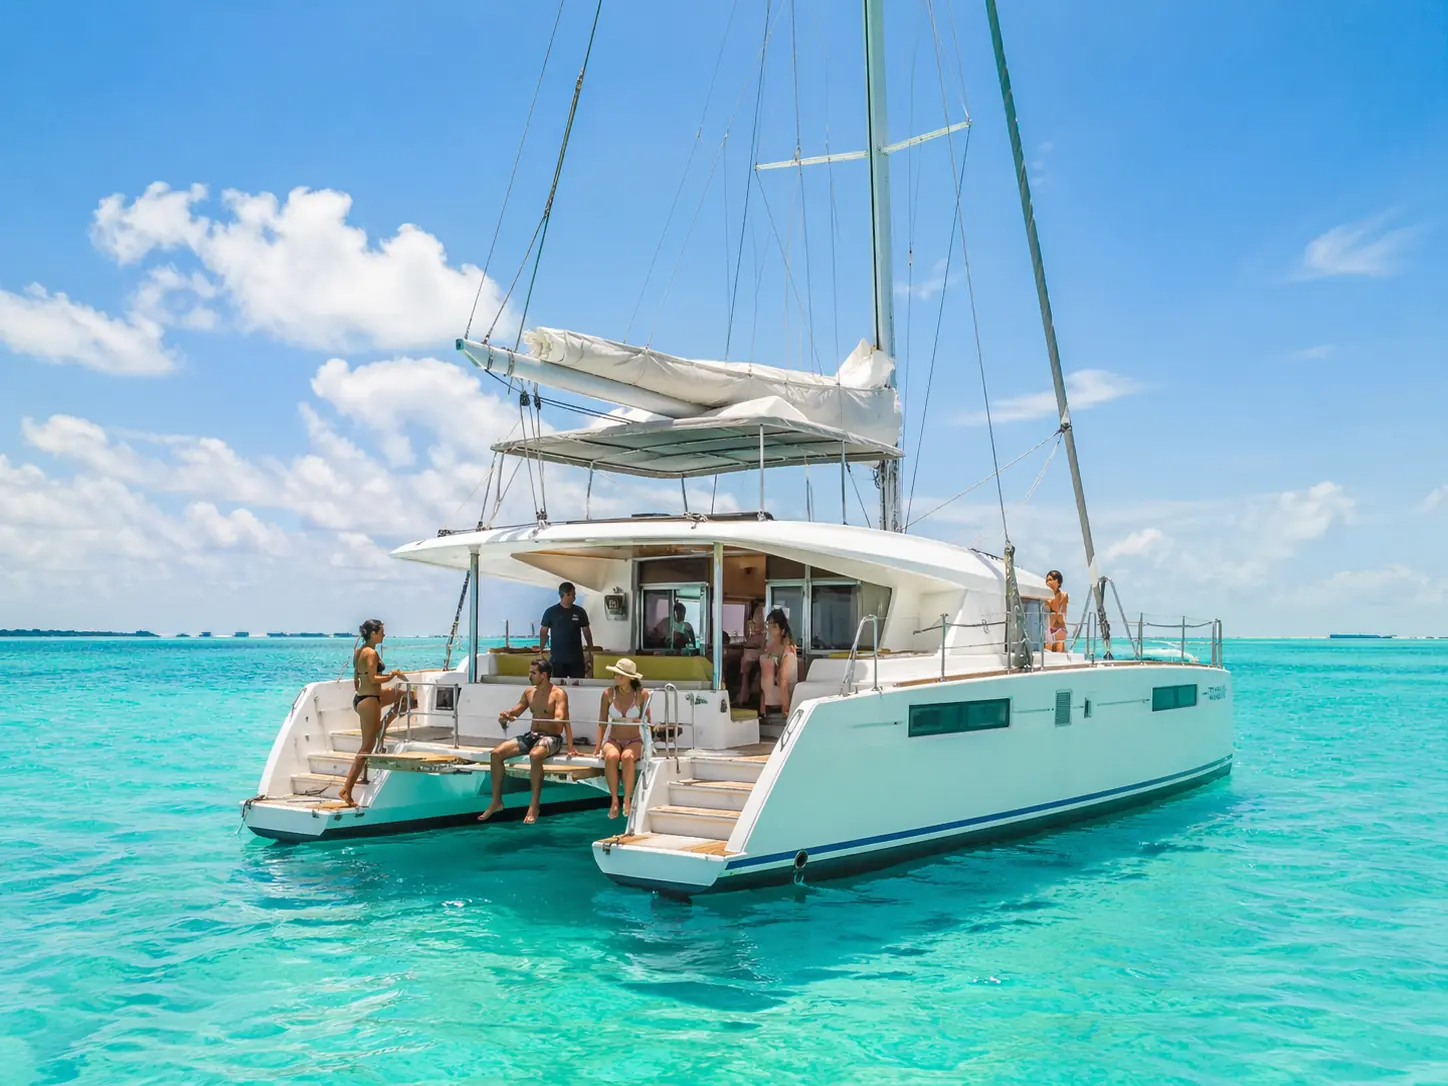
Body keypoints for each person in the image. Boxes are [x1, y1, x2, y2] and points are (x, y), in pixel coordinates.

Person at [478, 657, 574, 825]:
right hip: (532, 735)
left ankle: (534, 805)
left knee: (535, 755)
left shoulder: (558, 694)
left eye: (533, 673)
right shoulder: (529, 692)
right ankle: (496, 801)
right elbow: (517, 710)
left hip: (552, 738)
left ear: (544, 675)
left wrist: (569, 744)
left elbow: (560, 719)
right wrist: (507, 716)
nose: (529, 676)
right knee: (496, 753)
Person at [338, 618, 407, 807]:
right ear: (373, 633)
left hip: (363, 697)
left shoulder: (358, 651)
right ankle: (346, 789)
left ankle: (381, 730)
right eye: (382, 631)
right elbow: (374, 678)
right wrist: (392, 676)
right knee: (366, 747)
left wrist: (369, 691)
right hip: (369, 700)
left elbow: (356, 679)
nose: (384, 634)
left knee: (406, 696)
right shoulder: (371, 653)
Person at [595, 658, 650, 819]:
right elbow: (602, 722)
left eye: (621, 674)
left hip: (634, 740)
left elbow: (647, 722)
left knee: (628, 757)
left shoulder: (641, 694)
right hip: (613, 739)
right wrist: (597, 748)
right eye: (616, 673)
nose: (616, 677)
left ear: (630, 677)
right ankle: (614, 800)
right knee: (611, 756)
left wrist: (638, 721)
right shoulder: (608, 694)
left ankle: (627, 799)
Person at [539, 582, 594, 681]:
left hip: (576, 659)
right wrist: (541, 650)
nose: (574, 597)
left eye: (574, 594)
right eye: (572, 594)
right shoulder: (551, 612)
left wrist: (590, 652)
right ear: (564, 595)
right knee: (558, 687)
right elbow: (543, 632)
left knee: (578, 685)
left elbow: (587, 633)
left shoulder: (580, 612)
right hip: (557, 659)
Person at [759, 607, 799, 721]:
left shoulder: (788, 652)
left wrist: (786, 707)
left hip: (785, 692)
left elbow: (784, 681)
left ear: (781, 630)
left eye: (773, 625)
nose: (770, 629)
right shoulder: (770, 647)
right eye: (768, 624)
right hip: (771, 690)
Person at [734, 600, 765, 705]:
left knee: (745, 661)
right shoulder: (753, 634)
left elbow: (765, 650)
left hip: (760, 659)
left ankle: (744, 694)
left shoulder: (765, 636)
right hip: (752, 657)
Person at [1046, 570, 1069, 653]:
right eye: (1047, 580)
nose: (1048, 582)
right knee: (1048, 652)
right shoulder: (1044, 594)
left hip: (1059, 627)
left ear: (1057, 582)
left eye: (1050, 579)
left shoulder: (1063, 595)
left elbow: (1062, 613)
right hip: (1048, 627)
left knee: (1059, 651)